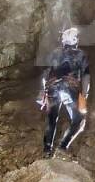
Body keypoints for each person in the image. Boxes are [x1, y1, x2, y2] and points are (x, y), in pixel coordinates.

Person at [38, 27, 91, 158]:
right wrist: (84, 95)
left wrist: (43, 92)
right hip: (69, 88)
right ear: (75, 41)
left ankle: (47, 150)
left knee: (51, 120)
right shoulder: (80, 54)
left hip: (52, 88)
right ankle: (62, 147)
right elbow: (86, 76)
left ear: (63, 41)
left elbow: (46, 73)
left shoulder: (55, 52)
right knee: (79, 120)